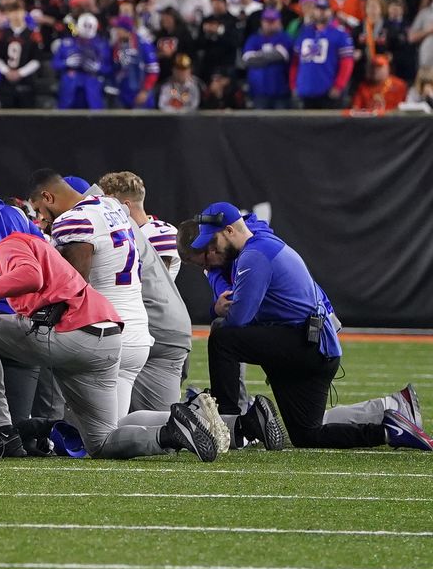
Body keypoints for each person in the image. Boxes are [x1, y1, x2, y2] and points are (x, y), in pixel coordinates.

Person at [0, 233, 223, 462]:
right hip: (108, 339)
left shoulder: (10, 244)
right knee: (102, 443)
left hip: (72, 334)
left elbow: (30, 277)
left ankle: (1, 430)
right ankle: (173, 429)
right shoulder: (27, 249)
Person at [186, 204, 431, 450]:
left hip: (304, 346)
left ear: (229, 230)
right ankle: (390, 432)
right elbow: (250, 222)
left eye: (212, 243)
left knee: (223, 336)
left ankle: (228, 423)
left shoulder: (255, 255)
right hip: (317, 348)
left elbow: (238, 319)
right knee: (307, 435)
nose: (211, 251)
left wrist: (214, 296)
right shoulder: (258, 238)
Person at [26, 170, 154, 412]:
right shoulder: (110, 206)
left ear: (47, 197)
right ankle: (173, 425)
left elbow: (73, 285)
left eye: (39, 209)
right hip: (136, 332)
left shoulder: (73, 220)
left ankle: (171, 428)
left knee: (102, 437)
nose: (42, 218)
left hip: (107, 334)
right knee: (112, 432)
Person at [96, 172, 195, 415]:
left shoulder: (157, 233)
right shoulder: (152, 231)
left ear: (124, 205)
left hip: (148, 325)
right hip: (160, 324)